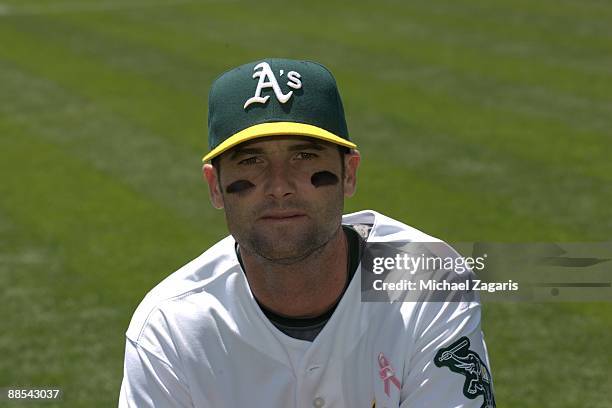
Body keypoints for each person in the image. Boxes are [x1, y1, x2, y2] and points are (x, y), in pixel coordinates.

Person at [119, 58, 495, 407]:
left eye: (304, 157)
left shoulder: (427, 282)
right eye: (251, 160)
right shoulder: (171, 326)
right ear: (215, 185)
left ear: (349, 173)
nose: (279, 185)